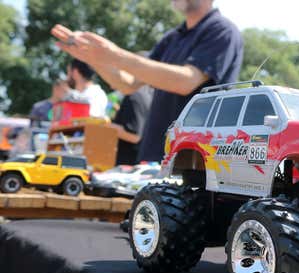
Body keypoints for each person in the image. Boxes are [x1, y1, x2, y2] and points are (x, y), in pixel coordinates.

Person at [50, 0, 244, 162]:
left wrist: (114, 55)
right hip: (153, 156)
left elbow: (185, 82)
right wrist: (93, 58)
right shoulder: (172, 38)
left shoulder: (222, 31)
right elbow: (127, 84)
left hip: (193, 162)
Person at [112, 85, 154, 165]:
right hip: (136, 161)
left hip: (129, 163)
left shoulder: (134, 96)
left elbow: (134, 136)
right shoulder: (145, 91)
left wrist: (104, 126)